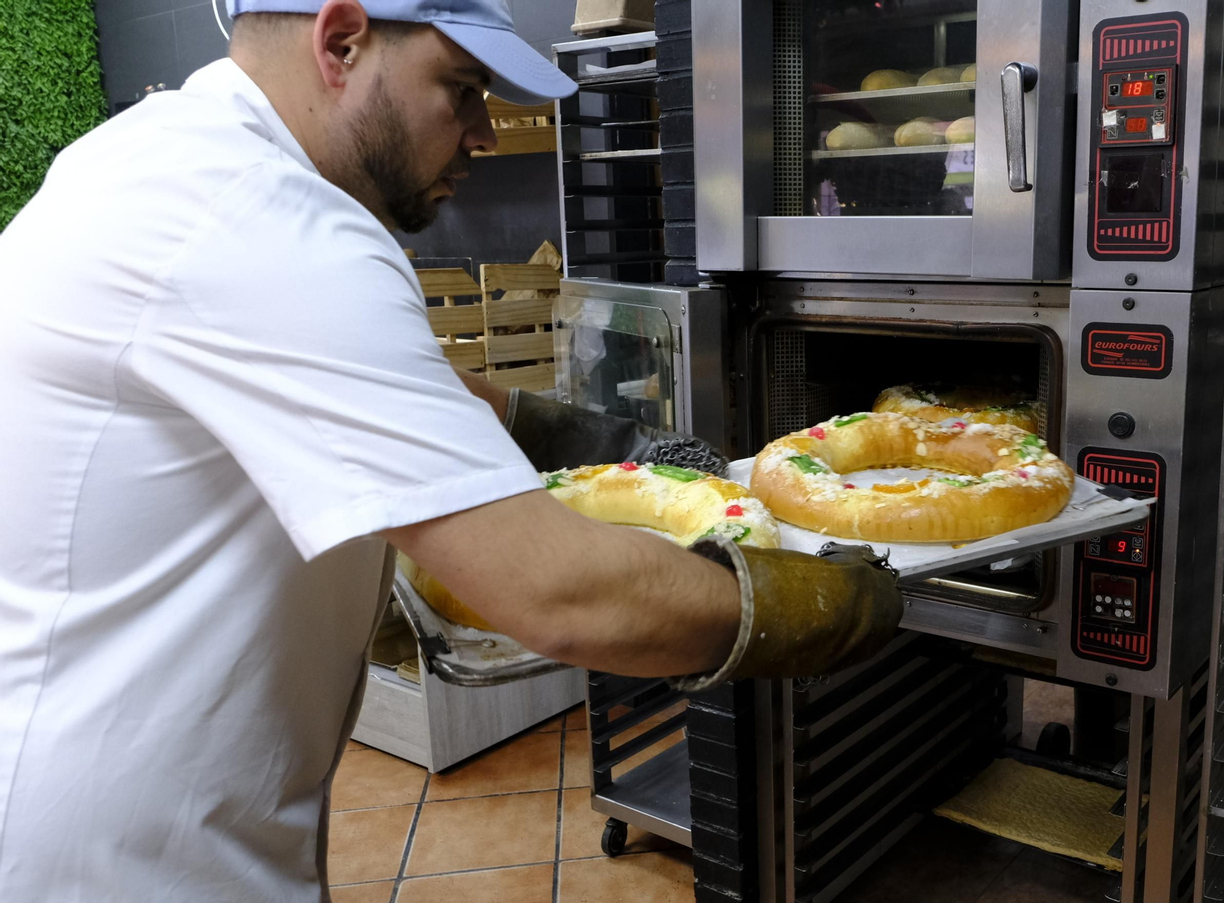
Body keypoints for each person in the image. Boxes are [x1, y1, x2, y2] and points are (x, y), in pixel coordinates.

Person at [0, 0, 902, 898]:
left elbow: (411, 392)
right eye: (462, 89)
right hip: (120, 853)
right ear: (341, 41)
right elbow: (562, 593)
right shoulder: (266, 223)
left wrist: (605, 442)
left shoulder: (163, 162)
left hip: (153, 796)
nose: (480, 132)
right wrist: (828, 602)